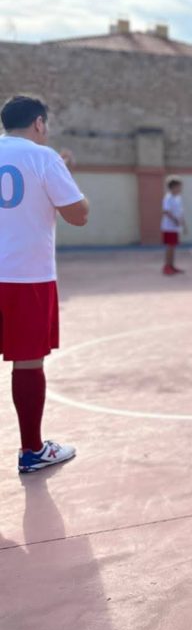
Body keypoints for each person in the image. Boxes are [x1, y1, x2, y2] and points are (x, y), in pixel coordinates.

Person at [0, 95, 89, 473]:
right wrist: (62, 174)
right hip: (26, 277)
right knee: (27, 360)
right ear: (38, 122)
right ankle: (32, 450)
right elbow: (78, 215)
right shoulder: (44, 157)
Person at [161, 176, 185, 275]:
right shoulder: (168, 198)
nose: (180, 188)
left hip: (175, 228)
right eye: (179, 186)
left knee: (173, 247)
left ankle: (172, 266)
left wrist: (183, 224)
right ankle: (166, 267)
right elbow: (166, 211)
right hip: (169, 227)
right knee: (170, 247)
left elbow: (180, 212)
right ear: (173, 187)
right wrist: (175, 220)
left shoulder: (178, 198)